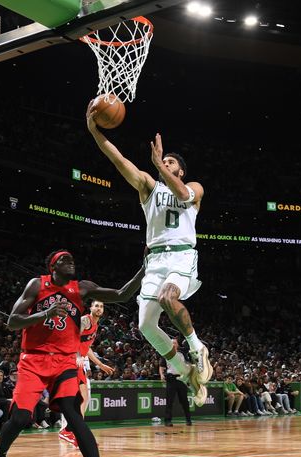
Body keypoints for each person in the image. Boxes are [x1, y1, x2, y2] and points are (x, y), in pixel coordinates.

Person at [0, 250, 144, 457]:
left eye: (72, 259)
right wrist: (44, 315)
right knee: (21, 418)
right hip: (34, 360)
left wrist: (144, 267)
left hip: (65, 362)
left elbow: (122, 294)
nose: (71, 262)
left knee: (73, 414)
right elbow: (13, 322)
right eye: (64, 260)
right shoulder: (37, 284)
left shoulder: (81, 289)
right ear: (52, 266)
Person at [87, 111, 211, 406]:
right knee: (145, 324)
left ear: (181, 170)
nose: (165, 163)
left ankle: (197, 347)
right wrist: (95, 132)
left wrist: (159, 165)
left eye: (171, 163)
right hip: (154, 262)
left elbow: (182, 195)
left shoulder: (194, 188)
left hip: (181, 257)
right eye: (163, 160)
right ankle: (184, 370)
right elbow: (118, 159)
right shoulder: (148, 187)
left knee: (170, 298)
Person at [59, 299, 115, 446]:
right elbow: (74, 338)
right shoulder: (85, 320)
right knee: (80, 398)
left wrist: (100, 364)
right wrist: (77, 356)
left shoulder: (95, 326)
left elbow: (86, 347)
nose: (99, 308)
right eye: (96, 305)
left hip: (77, 360)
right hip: (70, 359)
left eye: (101, 306)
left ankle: (73, 432)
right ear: (91, 308)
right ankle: (69, 431)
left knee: (82, 399)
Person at [159, 344, 192, 427]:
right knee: (169, 401)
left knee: (184, 401)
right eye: (172, 343)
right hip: (171, 379)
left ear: (177, 345)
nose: (173, 344)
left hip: (181, 379)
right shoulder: (166, 353)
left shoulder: (182, 354)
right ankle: (167, 421)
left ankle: (188, 419)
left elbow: (188, 364)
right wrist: (162, 375)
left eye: (175, 343)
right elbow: (161, 366)